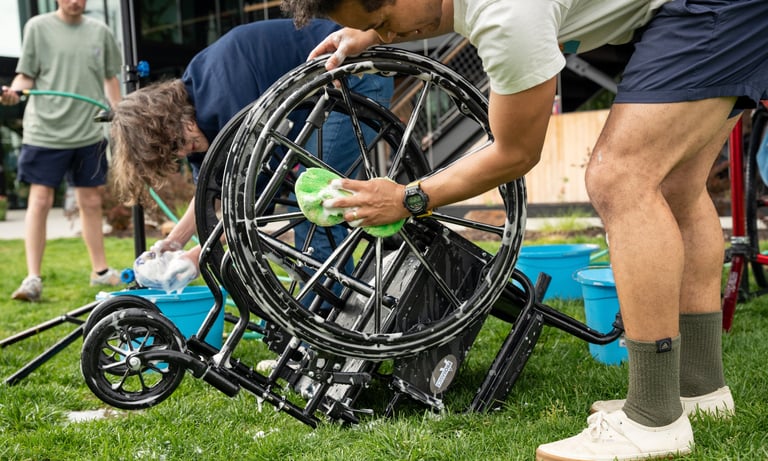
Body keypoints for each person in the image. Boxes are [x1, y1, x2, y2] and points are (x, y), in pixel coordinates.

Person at [280, 0, 767, 459]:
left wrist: (408, 198)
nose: (385, 35)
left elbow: (515, 153)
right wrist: (370, 28)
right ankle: (699, 389)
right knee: (678, 186)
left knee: (620, 176)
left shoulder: (506, 14)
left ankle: (653, 417)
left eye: (383, 19)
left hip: (715, 8)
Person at [109, 18, 393, 290]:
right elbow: (210, 191)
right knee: (308, 204)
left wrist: (198, 255)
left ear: (170, 115)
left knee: (313, 201)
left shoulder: (223, 94)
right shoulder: (196, 110)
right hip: (325, 98)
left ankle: (330, 323)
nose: (183, 150)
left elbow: (248, 205)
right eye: (174, 153)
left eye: (176, 141)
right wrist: (173, 242)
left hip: (355, 76)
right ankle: (324, 311)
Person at [1, 0, 123, 302]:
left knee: (91, 201)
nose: (76, 1)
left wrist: (121, 116)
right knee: (40, 200)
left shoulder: (101, 31)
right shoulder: (38, 28)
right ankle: (33, 279)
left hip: (88, 128)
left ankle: (100, 271)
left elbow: (110, 78)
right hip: (46, 130)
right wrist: (15, 91)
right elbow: (26, 75)